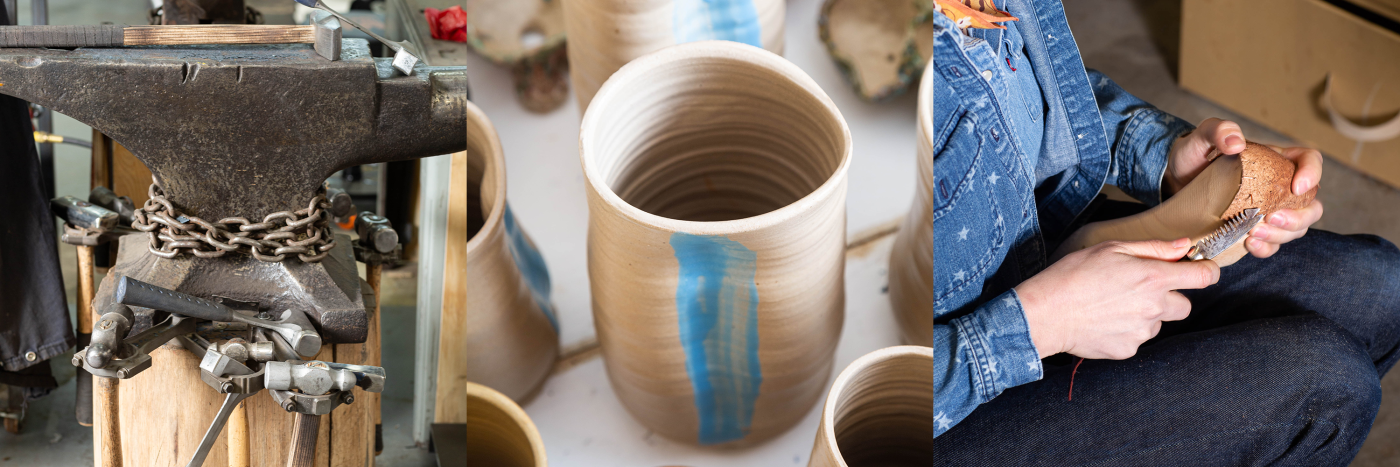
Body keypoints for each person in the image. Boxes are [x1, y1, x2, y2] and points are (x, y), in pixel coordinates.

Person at [932, 0, 1400, 464]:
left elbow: (1015, 88)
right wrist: (1040, 325)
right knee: (1329, 387)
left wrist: (1162, 154)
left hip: (1032, 233)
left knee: (1383, 286)